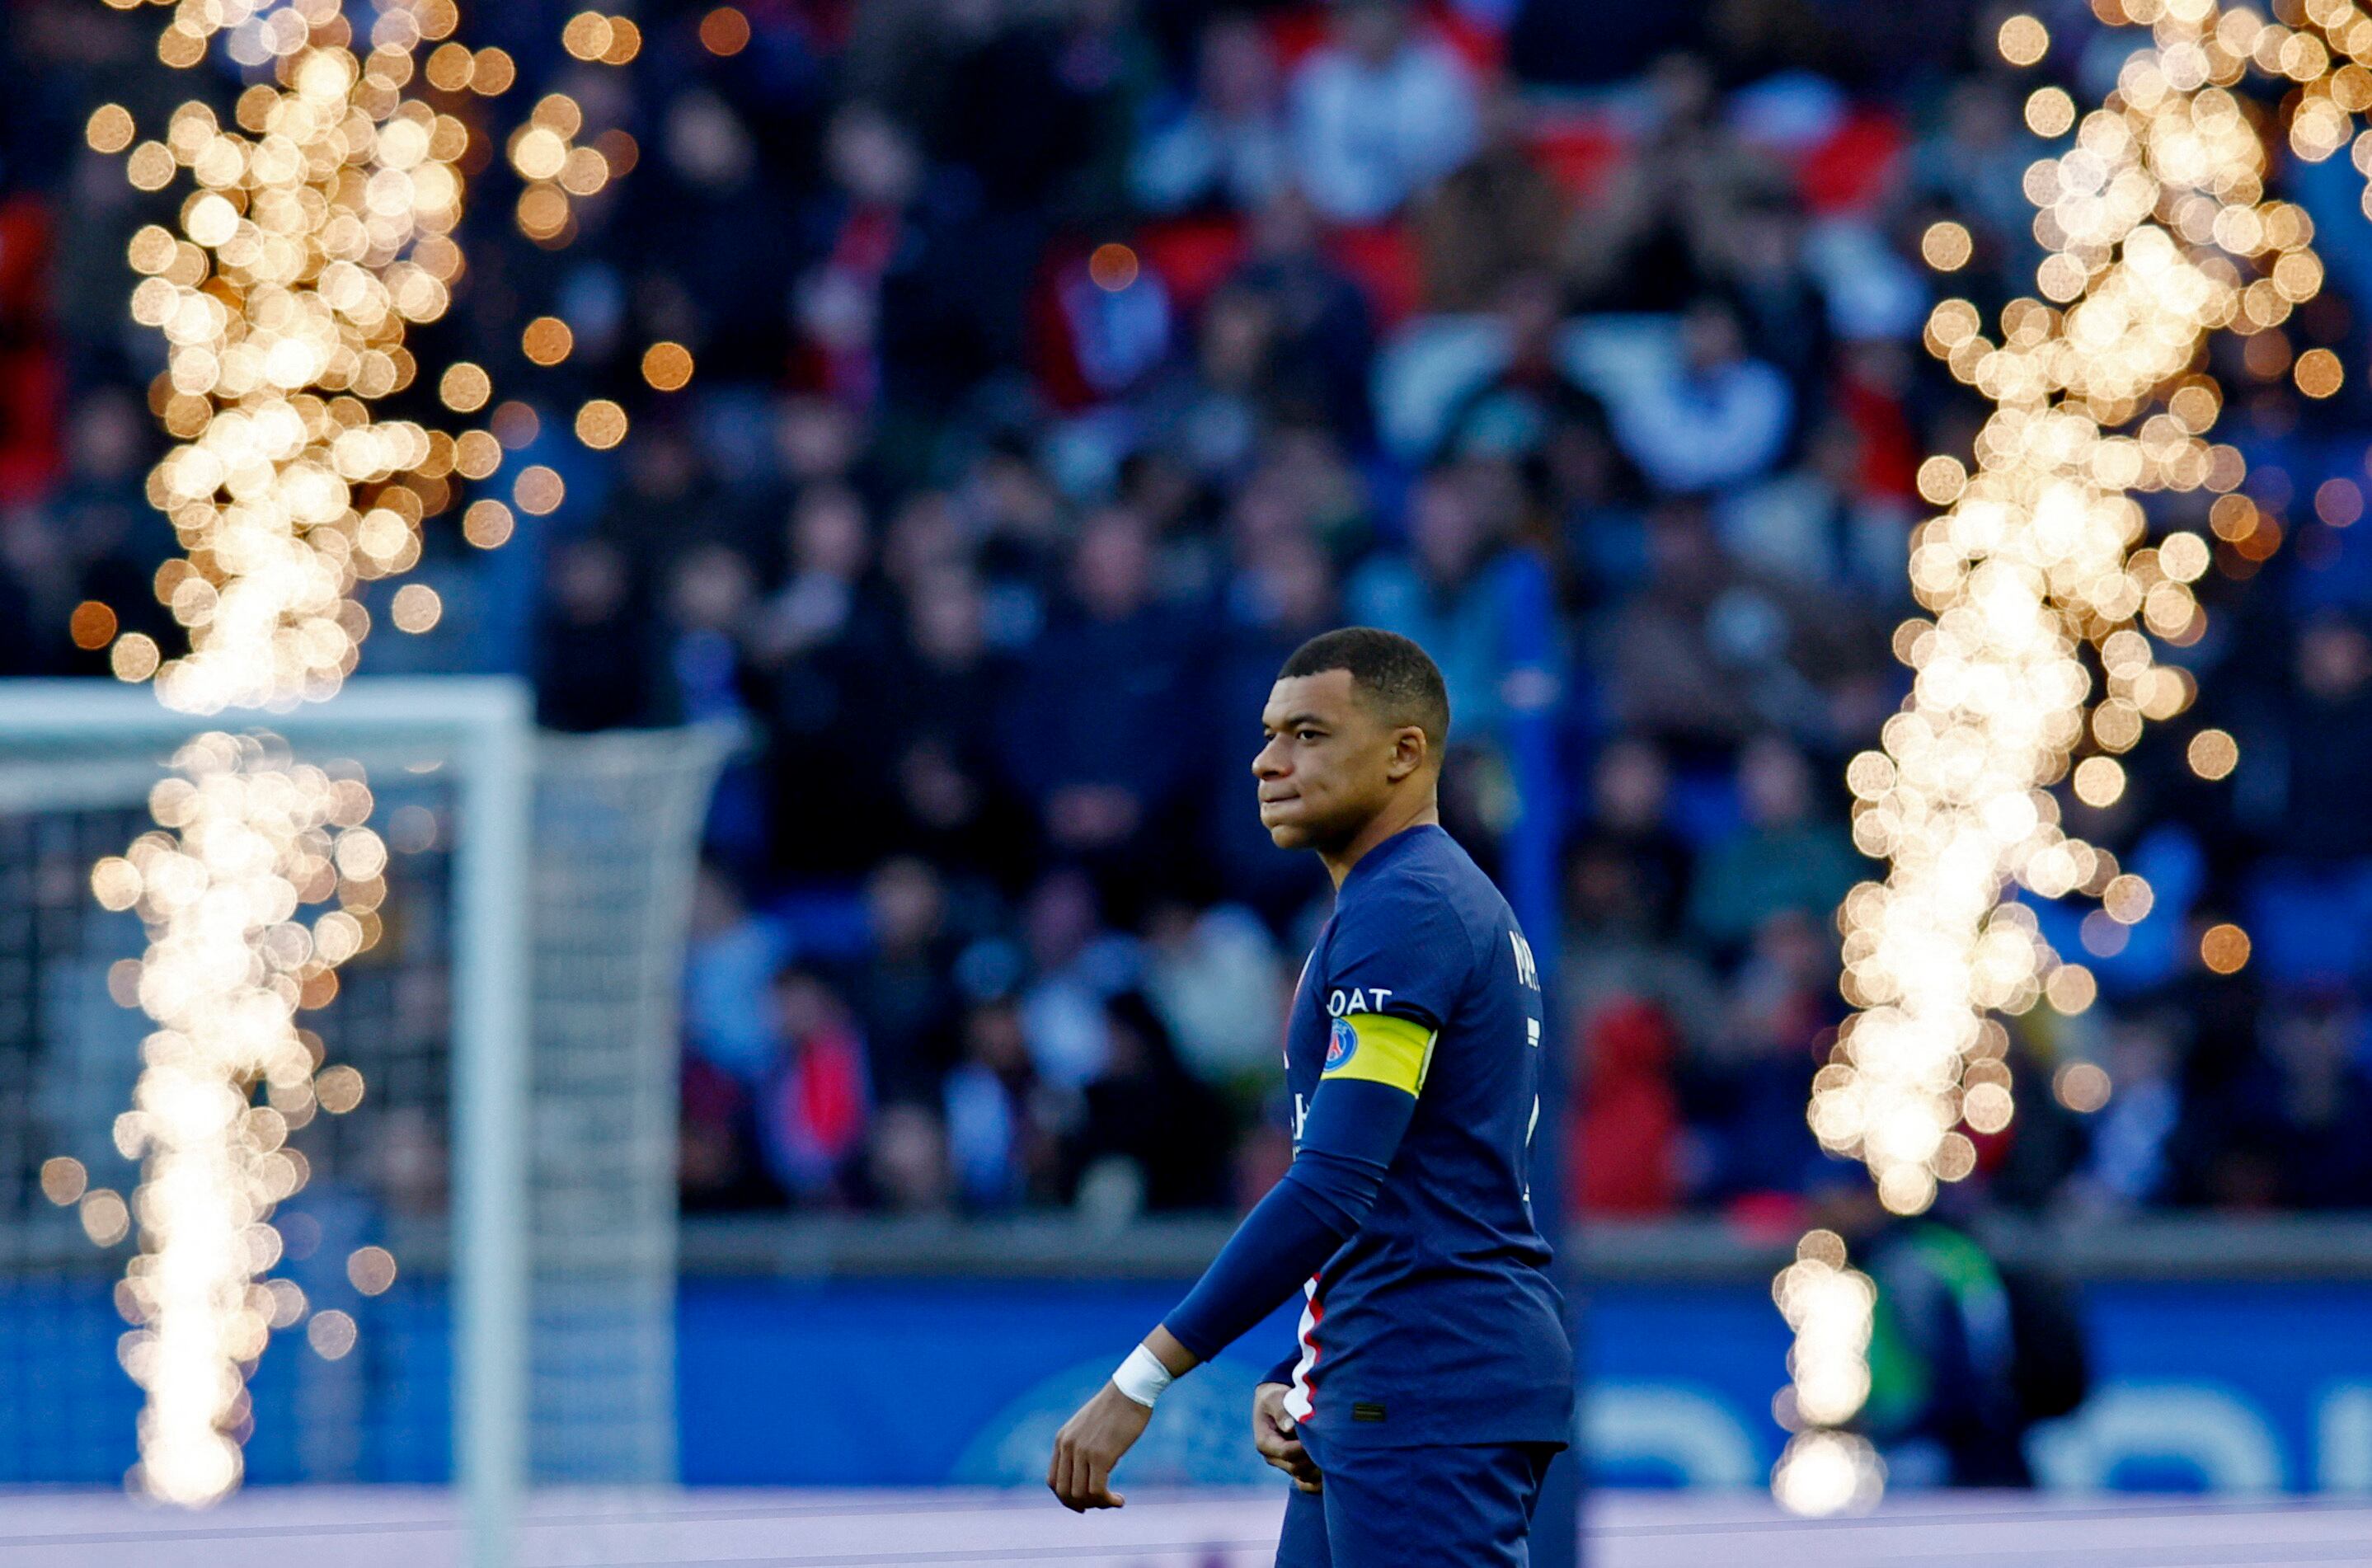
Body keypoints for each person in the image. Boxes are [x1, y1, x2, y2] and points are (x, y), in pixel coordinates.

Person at [1045, 627, 1573, 1566]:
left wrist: (1143, 1378)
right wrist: (1304, 1364)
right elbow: (1423, 1176)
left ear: (1405, 753)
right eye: (1267, 733)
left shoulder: (1409, 909)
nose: (1266, 760)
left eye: (1308, 734)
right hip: (1391, 1369)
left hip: (1424, 1378)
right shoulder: (1416, 902)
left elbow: (1335, 1185)